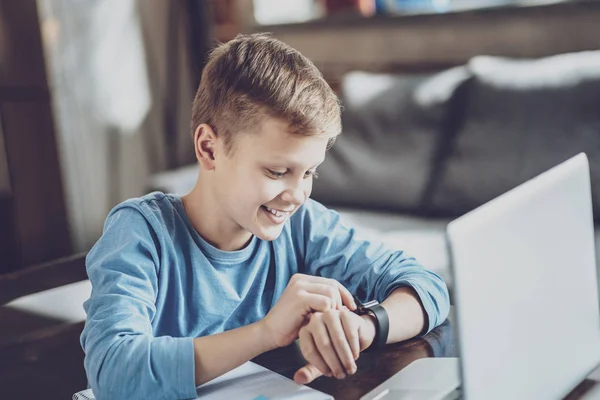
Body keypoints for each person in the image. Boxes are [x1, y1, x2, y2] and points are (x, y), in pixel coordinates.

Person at [80, 33, 450, 399]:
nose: (297, 195)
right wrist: (266, 332)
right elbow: (114, 372)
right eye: (276, 172)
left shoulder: (303, 225)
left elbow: (427, 287)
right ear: (209, 148)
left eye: (309, 173)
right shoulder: (140, 233)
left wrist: (362, 327)